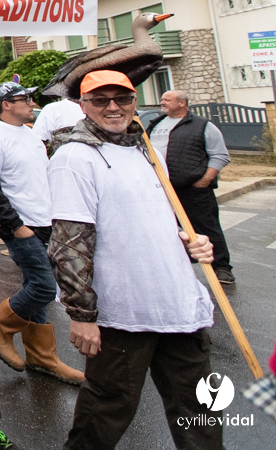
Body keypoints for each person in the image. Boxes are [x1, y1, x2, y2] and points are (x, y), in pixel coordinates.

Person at [47, 71, 218, 450]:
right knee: (104, 415)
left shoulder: (148, 150)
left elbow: (155, 221)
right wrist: (81, 315)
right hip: (122, 315)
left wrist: (191, 243)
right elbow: (68, 245)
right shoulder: (75, 157)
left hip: (179, 307)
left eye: (121, 98)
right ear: (82, 105)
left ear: (135, 101)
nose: (113, 107)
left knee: (201, 415)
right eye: (101, 99)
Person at [0, 82, 83, 385]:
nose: (32, 102)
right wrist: (16, 226)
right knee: (45, 288)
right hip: (21, 226)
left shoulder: (30, 134)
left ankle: (41, 356)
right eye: (24, 98)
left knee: (36, 287)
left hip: (44, 221)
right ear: (5, 104)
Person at [147, 89, 233, 284]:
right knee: (167, 229)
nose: (163, 103)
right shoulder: (156, 125)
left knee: (207, 228)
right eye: (162, 99)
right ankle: (176, 268)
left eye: (167, 100)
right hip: (163, 189)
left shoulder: (203, 126)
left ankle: (222, 268)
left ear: (182, 103)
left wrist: (204, 180)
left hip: (193, 190)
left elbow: (220, 155)